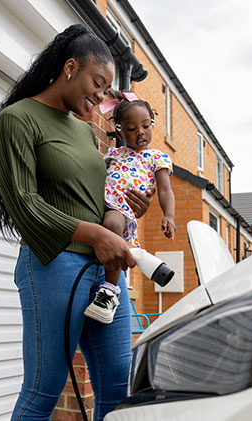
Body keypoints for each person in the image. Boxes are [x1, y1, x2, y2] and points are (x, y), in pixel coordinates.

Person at [0, 24, 153, 420]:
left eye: (107, 91)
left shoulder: (86, 133)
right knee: (44, 390)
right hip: (53, 265)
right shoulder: (17, 120)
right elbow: (24, 204)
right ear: (70, 67)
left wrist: (127, 209)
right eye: (97, 83)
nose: (101, 97)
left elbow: (99, 197)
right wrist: (94, 234)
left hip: (104, 270)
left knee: (118, 389)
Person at [83, 93, 176, 324]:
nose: (140, 133)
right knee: (109, 228)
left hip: (120, 210)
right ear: (120, 129)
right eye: (132, 128)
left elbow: (165, 190)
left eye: (145, 126)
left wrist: (169, 216)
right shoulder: (113, 153)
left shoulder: (157, 158)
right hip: (98, 205)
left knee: (113, 224)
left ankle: (110, 291)